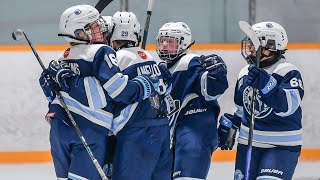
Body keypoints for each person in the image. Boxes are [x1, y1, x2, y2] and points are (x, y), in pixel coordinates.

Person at [39, 5, 161, 180]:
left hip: (59, 128)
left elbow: (54, 95)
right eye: (94, 26)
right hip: (90, 128)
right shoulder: (101, 51)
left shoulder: (61, 57)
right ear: (80, 32)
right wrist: (145, 85)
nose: (101, 28)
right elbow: (118, 92)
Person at [218, 21, 304, 180]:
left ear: (270, 46)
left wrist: (268, 85)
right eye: (250, 43)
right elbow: (242, 107)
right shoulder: (245, 72)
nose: (250, 47)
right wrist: (233, 125)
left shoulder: (287, 71)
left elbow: (288, 106)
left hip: (281, 147)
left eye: (254, 43)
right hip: (248, 144)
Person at [155, 22, 229, 179]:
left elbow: (211, 89)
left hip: (195, 135)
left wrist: (217, 75)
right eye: (162, 41)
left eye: (171, 41)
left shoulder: (189, 61)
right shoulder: (162, 69)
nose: (165, 45)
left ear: (183, 43)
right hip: (176, 137)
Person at [108, 11, 172, 180]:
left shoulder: (115, 58)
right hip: (161, 128)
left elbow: (113, 95)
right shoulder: (148, 57)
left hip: (135, 131)